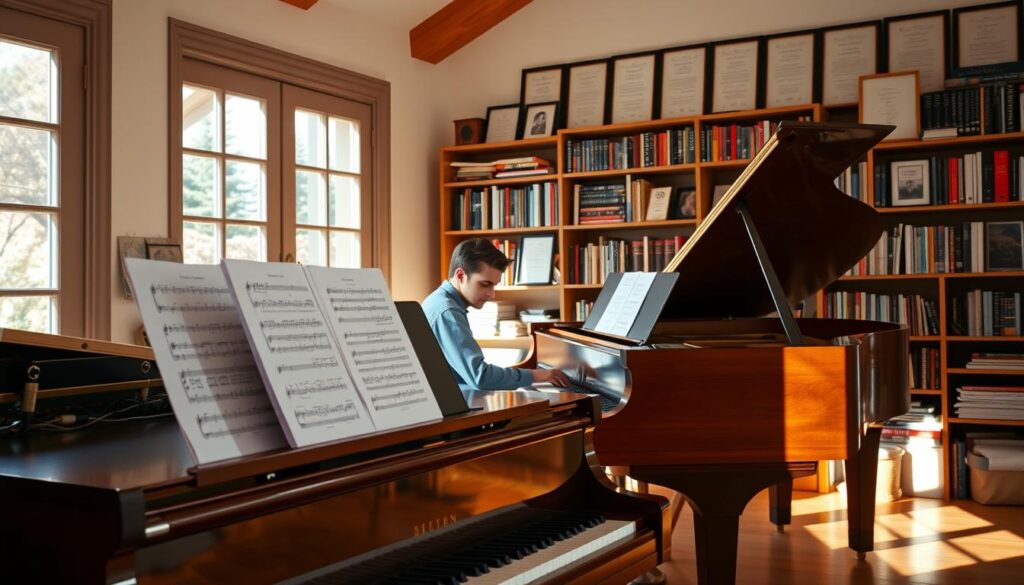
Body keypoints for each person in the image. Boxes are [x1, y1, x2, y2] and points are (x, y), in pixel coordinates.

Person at [423, 238, 570, 391]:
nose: (491, 294)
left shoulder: (441, 301)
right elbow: (480, 377)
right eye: (485, 284)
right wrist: (536, 376)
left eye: (494, 285)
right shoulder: (448, 312)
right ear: (460, 275)